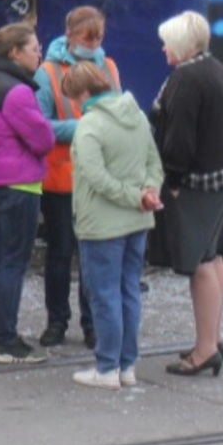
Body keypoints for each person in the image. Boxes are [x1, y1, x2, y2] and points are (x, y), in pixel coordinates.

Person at [150, 11, 223, 378]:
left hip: (200, 185)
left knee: (200, 264)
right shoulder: (214, 67)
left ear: (180, 46)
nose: (162, 48)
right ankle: (213, 339)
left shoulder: (186, 79)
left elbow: (179, 139)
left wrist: (171, 180)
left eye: (166, 42)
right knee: (216, 256)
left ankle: (205, 350)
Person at [61, 62, 161, 389]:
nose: (74, 106)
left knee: (104, 295)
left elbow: (96, 177)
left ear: (85, 94)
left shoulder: (90, 126)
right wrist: (147, 193)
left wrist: (133, 196)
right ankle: (127, 366)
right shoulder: (137, 115)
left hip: (101, 225)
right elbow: (153, 164)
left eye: (74, 99)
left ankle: (106, 368)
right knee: (129, 290)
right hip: (138, 222)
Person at [32, 6, 120, 350]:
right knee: (60, 253)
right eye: (88, 37)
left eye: (99, 37)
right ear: (70, 36)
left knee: (92, 255)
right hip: (61, 180)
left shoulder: (108, 67)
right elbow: (41, 126)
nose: (95, 43)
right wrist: (84, 128)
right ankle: (57, 321)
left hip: (96, 179)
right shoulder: (48, 73)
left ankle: (91, 323)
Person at [0, 23, 57, 364]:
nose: (40, 53)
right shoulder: (18, 92)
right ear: (15, 53)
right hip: (18, 184)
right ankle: (6, 340)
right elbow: (43, 140)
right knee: (13, 262)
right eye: (35, 48)